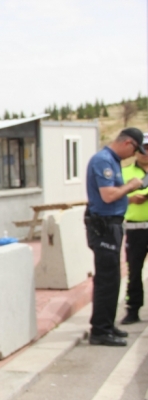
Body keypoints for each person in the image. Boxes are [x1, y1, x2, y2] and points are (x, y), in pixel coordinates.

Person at [85, 127, 146, 347]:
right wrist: (131, 186)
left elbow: (113, 198)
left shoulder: (112, 160)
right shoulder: (103, 160)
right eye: (135, 150)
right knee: (107, 279)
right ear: (128, 143)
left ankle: (107, 325)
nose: (134, 155)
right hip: (104, 227)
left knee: (112, 279)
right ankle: (100, 330)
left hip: (113, 225)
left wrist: (128, 198)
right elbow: (108, 195)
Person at [121, 132, 148, 325]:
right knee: (134, 271)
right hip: (135, 229)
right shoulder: (124, 172)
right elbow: (112, 195)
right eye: (144, 149)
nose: (146, 153)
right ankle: (133, 309)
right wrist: (130, 198)